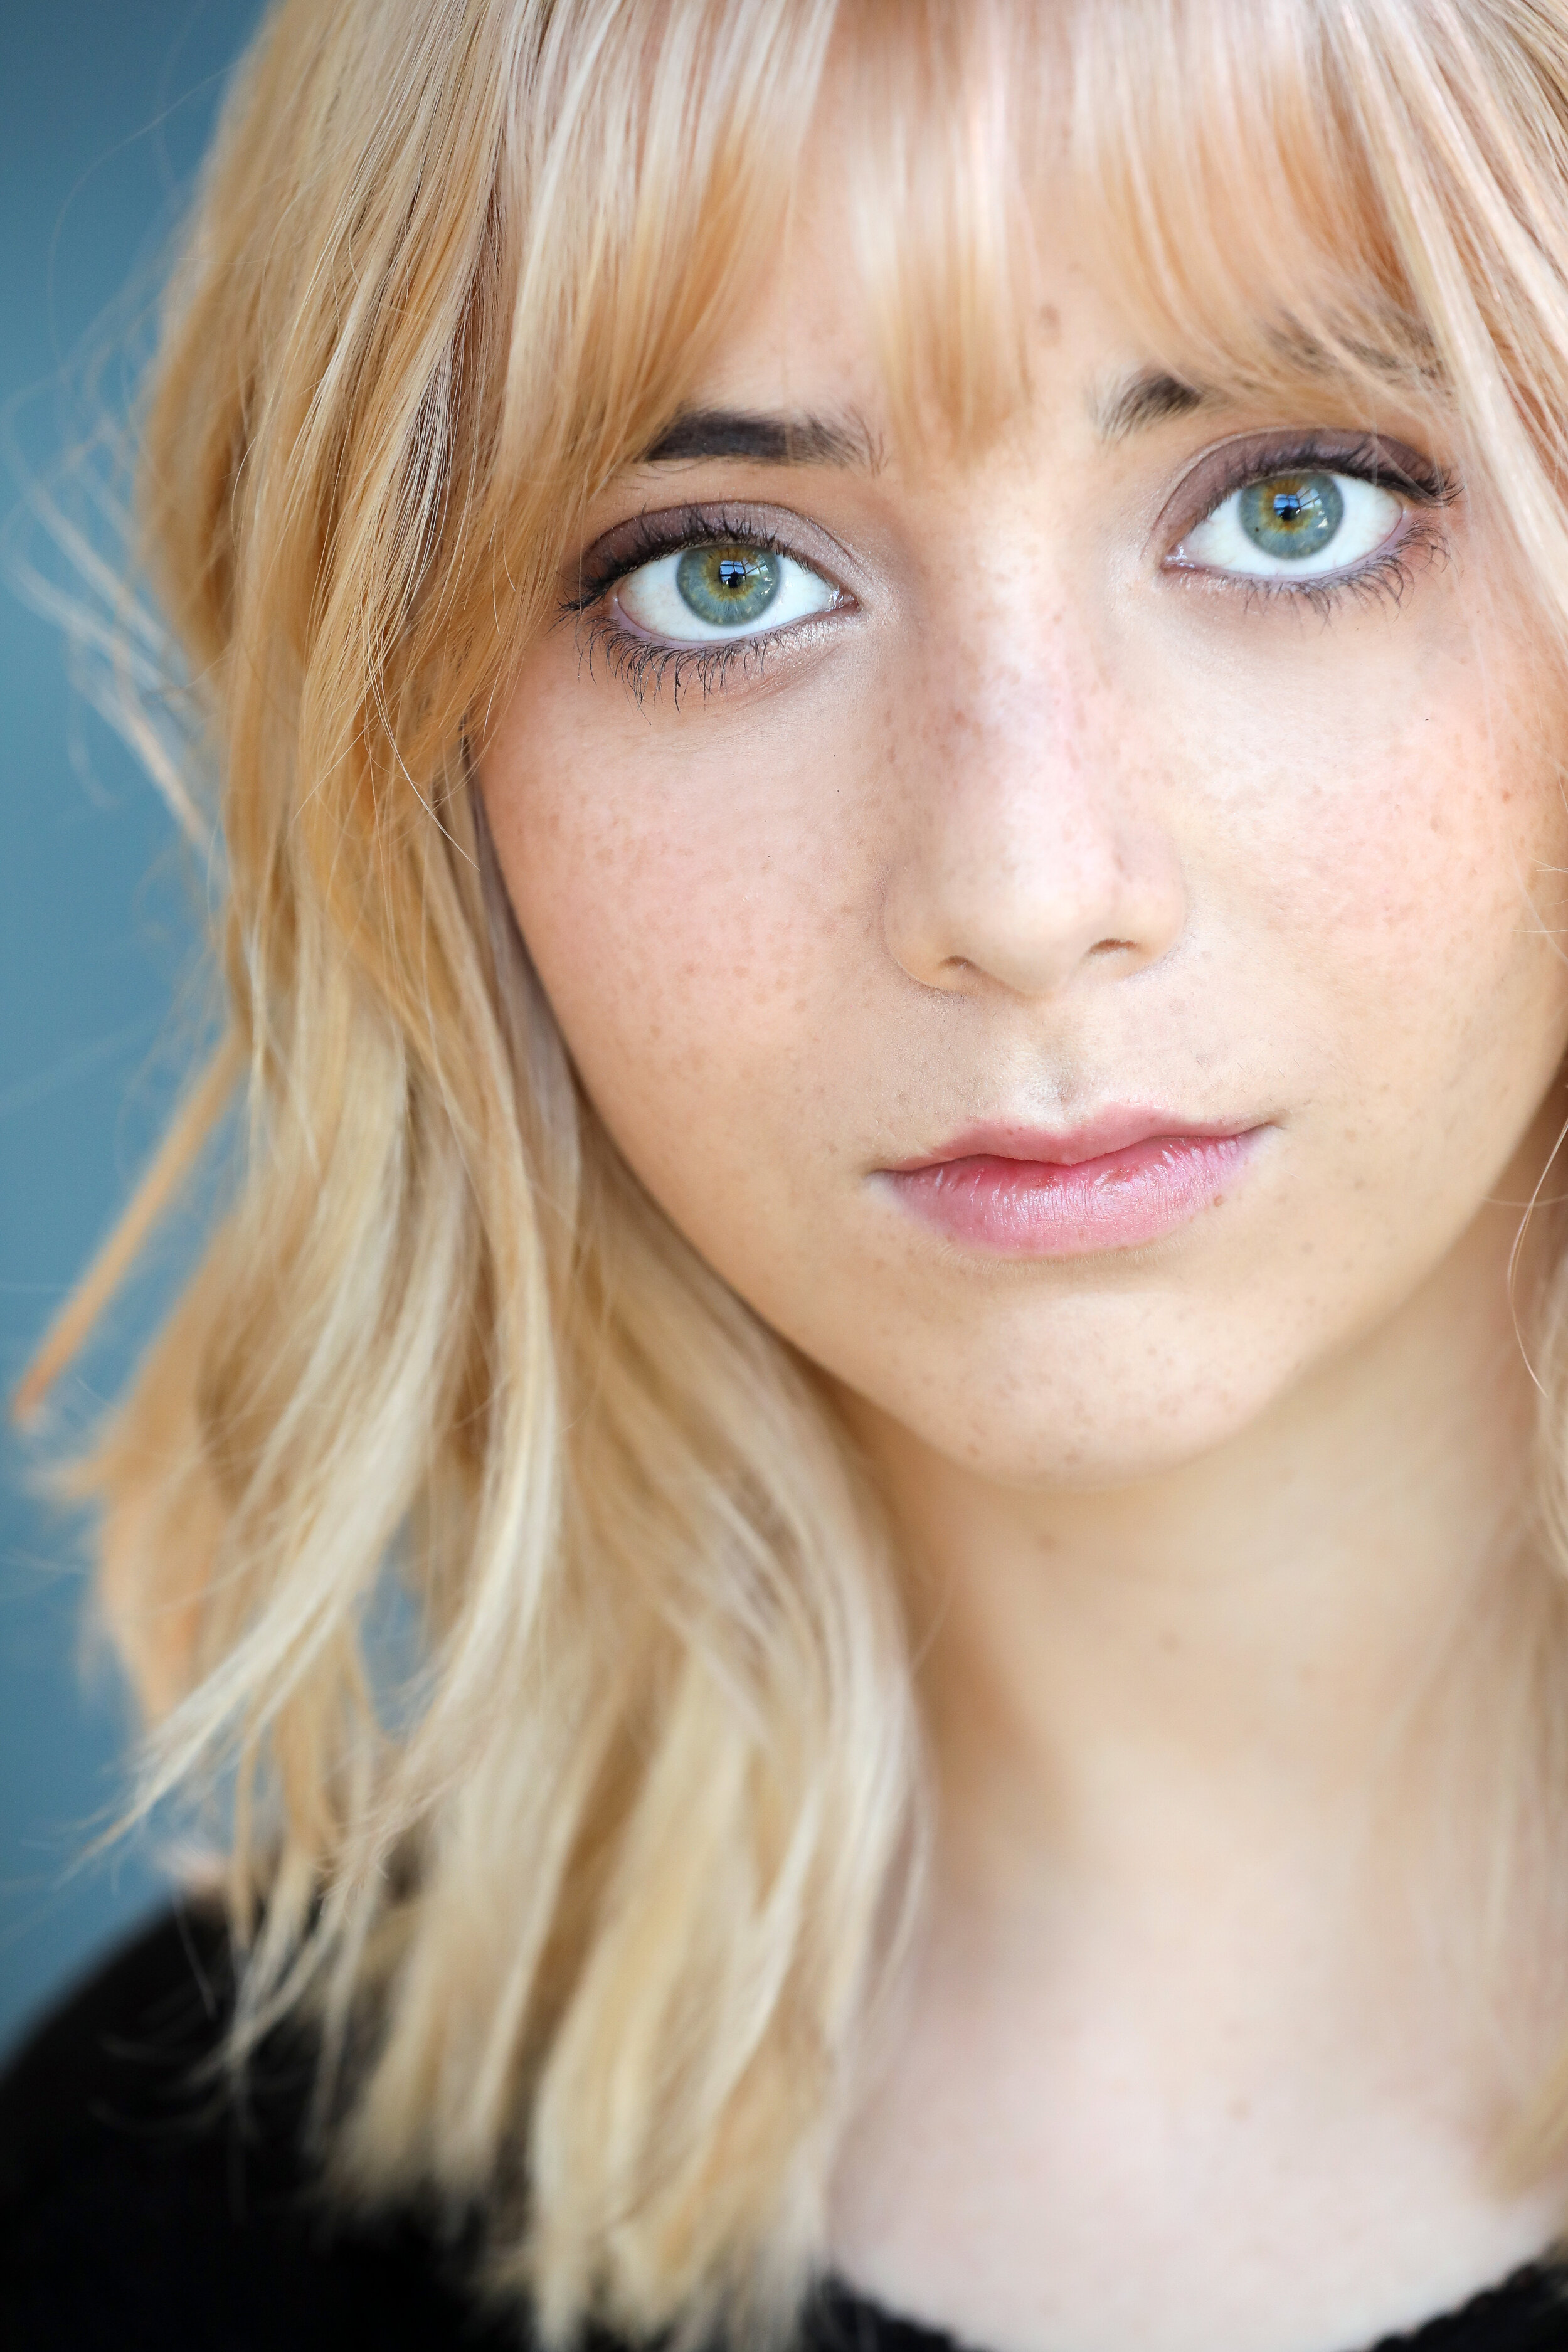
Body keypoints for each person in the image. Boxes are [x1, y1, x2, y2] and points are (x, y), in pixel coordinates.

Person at [8, 0, 1568, 2344]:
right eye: (716, 575)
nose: (1025, 888)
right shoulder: (155, 2229)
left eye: (1294, 503)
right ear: (426, 775)